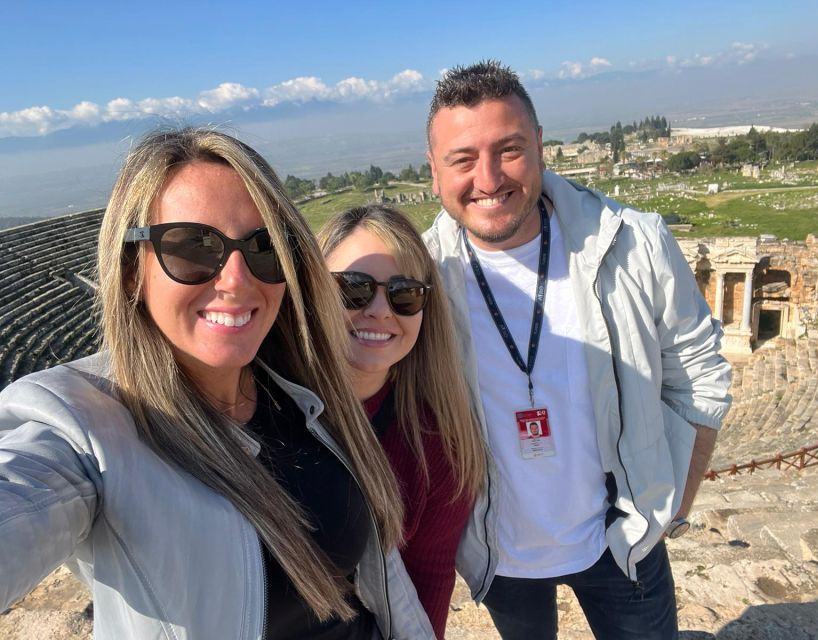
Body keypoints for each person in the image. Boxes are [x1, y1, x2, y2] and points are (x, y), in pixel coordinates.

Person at [0, 127, 435, 639]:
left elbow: (379, 579)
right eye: (193, 247)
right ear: (131, 270)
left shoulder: (303, 390)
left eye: (264, 246)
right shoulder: (84, 426)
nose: (236, 278)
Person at [422, 61, 733, 639]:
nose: (487, 178)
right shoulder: (418, 279)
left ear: (540, 147)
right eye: (463, 159)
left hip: (624, 540)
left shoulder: (633, 242)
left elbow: (699, 374)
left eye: (508, 149)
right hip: (498, 555)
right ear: (434, 172)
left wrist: (674, 510)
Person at [318, 205, 486, 639]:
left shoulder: (436, 441)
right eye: (353, 289)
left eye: (404, 294)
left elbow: (429, 575)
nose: (380, 310)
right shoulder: (261, 403)